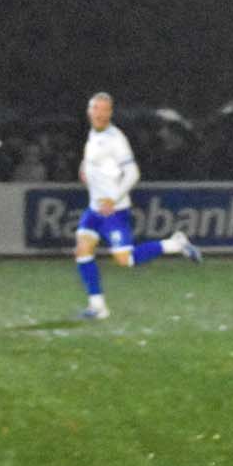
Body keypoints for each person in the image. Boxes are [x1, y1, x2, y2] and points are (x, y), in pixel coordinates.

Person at [72, 92, 202, 319]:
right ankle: (98, 307)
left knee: (126, 259)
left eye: (104, 109)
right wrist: (85, 168)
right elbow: (97, 162)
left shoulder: (116, 139)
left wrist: (113, 199)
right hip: (95, 209)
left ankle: (175, 244)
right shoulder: (93, 134)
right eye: (95, 109)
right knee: (83, 250)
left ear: (110, 113)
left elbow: (133, 173)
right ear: (89, 111)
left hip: (114, 210)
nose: (99, 113)